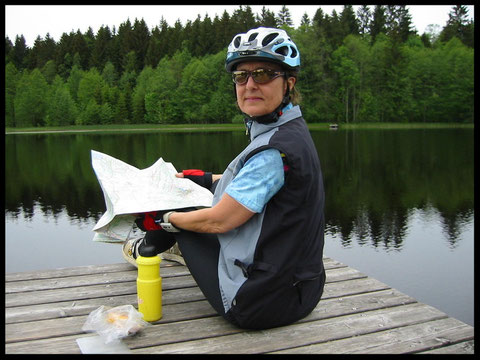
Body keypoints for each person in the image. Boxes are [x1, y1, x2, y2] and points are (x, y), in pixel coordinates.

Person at [122, 27, 326, 330]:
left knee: (186, 218)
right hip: (303, 290)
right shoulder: (290, 133)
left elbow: (219, 221)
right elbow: (262, 187)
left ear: (288, 83)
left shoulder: (273, 151)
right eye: (241, 77)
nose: (250, 84)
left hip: (258, 304)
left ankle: (145, 248)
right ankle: (162, 244)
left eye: (264, 74)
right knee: (189, 213)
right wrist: (206, 179)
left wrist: (166, 219)